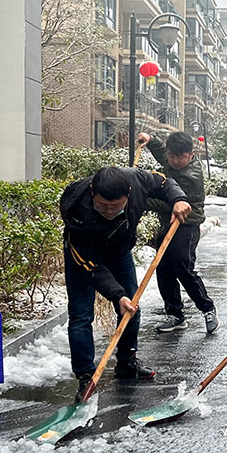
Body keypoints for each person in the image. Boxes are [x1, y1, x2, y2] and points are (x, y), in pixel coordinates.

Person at [60, 165, 191, 399]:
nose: (109, 211)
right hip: (86, 258)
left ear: (128, 194)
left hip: (119, 249)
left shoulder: (136, 181)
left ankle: (127, 362)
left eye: (116, 206)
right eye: (103, 206)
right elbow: (92, 268)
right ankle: (86, 377)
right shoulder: (76, 211)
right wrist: (117, 295)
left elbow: (163, 182)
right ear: (92, 192)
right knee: (81, 316)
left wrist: (178, 198)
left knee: (132, 306)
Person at [137, 131, 218, 334]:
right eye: (171, 155)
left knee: (182, 267)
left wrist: (140, 200)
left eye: (180, 157)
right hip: (168, 224)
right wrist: (151, 141)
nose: (174, 161)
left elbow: (168, 204)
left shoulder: (190, 176)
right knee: (163, 268)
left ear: (191, 155)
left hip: (187, 225)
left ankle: (208, 308)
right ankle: (175, 315)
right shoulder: (172, 159)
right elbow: (162, 155)